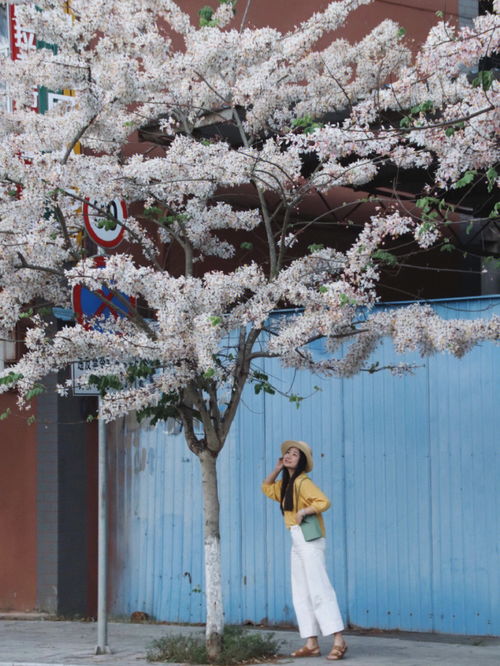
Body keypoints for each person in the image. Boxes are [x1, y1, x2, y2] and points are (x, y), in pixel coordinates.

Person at [262, 440, 347, 660]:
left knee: (319, 588)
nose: (289, 456)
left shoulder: (302, 481)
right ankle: (311, 643)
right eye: (287, 454)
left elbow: (324, 501)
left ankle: (339, 640)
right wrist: (277, 468)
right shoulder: (286, 485)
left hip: (309, 538)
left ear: (301, 462)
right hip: (297, 539)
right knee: (301, 592)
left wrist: (304, 511)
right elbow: (266, 488)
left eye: (294, 455)